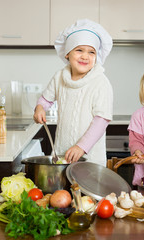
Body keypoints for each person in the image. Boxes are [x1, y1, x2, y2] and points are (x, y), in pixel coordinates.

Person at [34, 19, 113, 166]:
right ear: (67, 54)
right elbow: (45, 100)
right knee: (63, 189)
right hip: (62, 154)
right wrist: (39, 108)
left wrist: (81, 147)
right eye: (79, 50)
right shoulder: (59, 77)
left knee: (86, 188)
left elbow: (101, 121)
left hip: (90, 159)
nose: (85, 56)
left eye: (91, 52)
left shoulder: (100, 82)